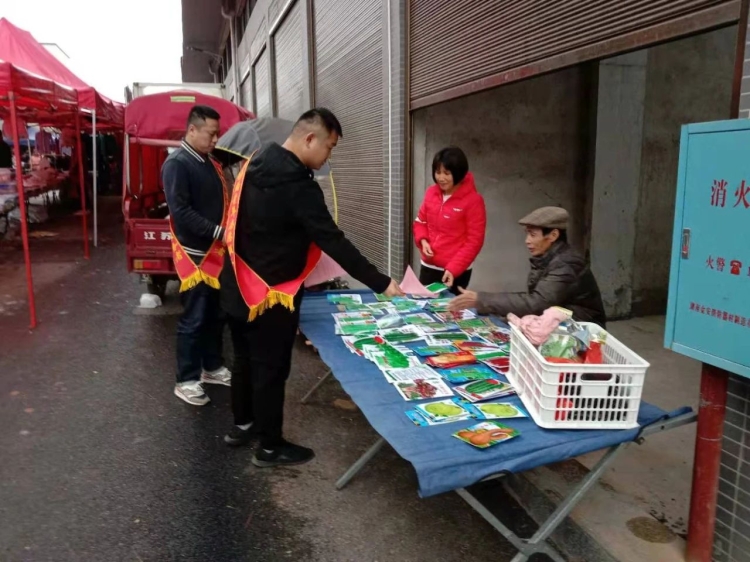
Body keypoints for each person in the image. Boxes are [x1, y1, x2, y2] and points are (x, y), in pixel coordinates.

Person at [220, 108, 403, 467]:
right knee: (271, 368)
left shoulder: (252, 165)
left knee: (244, 360)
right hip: (271, 296)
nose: (327, 157)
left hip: (236, 285)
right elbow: (333, 240)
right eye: (329, 147)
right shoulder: (298, 186)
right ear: (309, 139)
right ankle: (269, 446)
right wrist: (380, 282)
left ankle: (243, 426)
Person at [162, 105, 232, 406]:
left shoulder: (210, 162)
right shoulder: (177, 164)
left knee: (216, 315)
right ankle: (186, 380)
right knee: (194, 319)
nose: (215, 139)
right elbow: (181, 212)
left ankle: (212, 367)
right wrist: (218, 232)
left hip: (216, 253)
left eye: (217, 134)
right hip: (196, 257)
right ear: (192, 130)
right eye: (211, 134)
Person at [448, 206, 606, 326]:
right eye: (527, 234)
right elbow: (535, 299)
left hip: (580, 331)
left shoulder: (567, 264)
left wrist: (482, 299)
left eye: (533, 235)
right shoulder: (548, 258)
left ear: (553, 235)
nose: (527, 241)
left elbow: (537, 303)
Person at [414, 146, 486, 294]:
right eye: (438, 172)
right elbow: (420, 222)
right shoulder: (431, 193)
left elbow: (474, 241)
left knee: (450, 307)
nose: (441, 178)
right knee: (423, 305)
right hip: (428, 266)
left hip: (456, 270)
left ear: (458, 172)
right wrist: (423, 241)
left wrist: (454, 268)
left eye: (447, 173)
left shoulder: (473, 201)